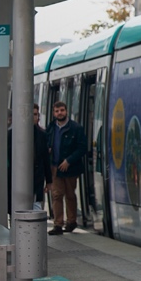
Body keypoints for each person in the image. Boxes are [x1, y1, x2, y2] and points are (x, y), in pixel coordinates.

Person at [44, 100, 86, 235]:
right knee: (56, 195)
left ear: (66, 111)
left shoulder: (76, 128)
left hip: (70, 168)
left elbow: (82, 148)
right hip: (55, 167)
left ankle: (71, 222)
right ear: (53, 113)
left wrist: (69, 160)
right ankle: (58, 224)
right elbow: (46, 143)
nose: (59, 113)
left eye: (62, 110)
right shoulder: (51, 128)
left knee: (70, 195)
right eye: (57, 111)